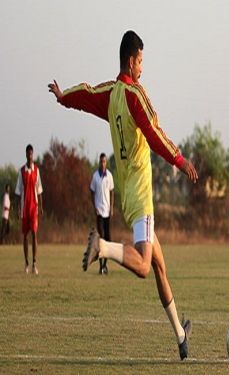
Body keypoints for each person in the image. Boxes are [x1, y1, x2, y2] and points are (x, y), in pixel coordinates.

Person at [48, 30, 198, 360]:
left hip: (128, 193)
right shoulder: (133, 94)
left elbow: (86, 94)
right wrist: (180, 159)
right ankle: (102, 247)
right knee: (145, 265)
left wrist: (63, 97)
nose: (143, 68)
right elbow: (155, 134)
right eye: (142, 61)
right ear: (131, 61)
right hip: (141, 191)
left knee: (160, 265)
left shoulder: (112, 93)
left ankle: (180, 334)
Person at [15, 144, 43, 275]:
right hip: (25, 208)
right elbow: (18, 192)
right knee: (25, 235)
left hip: (34, 208)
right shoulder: (21, 171)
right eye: (28, 154)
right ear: (26, 154)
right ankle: (26, 262)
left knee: (35, 234)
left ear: (33, 154)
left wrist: (41, 207)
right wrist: (17, 208)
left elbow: (40, 191)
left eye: (31, 153)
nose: (29, 156)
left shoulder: (36, 170)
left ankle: (34, 263)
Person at [90, 153, 114, 275]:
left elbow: (112, 192)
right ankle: (100, 266)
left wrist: (112, 208)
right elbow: (92, 192)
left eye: (104, 161)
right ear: (99, 162)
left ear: (106, 162)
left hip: (107, 211)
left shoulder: (109, 176)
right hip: (99, 211)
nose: (102, 163)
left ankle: (105, 265)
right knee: (101, 238)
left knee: (108, 239)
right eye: (101, 161)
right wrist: (95, 207)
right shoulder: (95, 177)